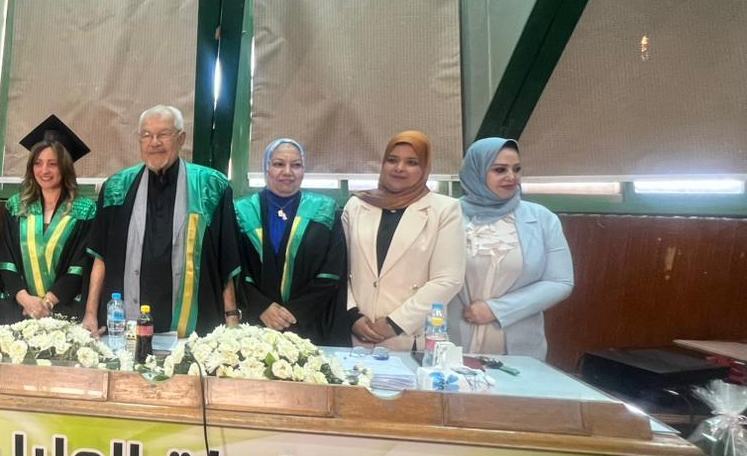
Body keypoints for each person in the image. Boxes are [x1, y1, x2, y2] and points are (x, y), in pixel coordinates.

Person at [83, 105, 240, 338]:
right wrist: (90, 313)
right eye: (146, 135)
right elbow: (100, 257)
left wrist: (232, 318)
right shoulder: (117, 187)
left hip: (192, 326)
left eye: (163, 134)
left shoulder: (210, 187)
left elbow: (225, 261)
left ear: (181, 138)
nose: (154, 142)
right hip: (126, 323)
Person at [450, 138, 574, 360]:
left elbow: (560, 281)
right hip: (450, 341)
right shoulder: (447, 215)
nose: (511, 177)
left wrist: (498, 309)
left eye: (516, 169)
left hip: (519, 349)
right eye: (500, 170)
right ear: (476, 172)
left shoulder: (542, 218)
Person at [342, 130, 463, 351]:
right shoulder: (357, 205)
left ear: (424, 168)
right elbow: (341, 268)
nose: (399, 168)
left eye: (412, 162)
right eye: (392, 160)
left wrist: (395, 323)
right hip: (358, 334)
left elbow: (448, 279)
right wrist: (352, 316)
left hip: (410, 338)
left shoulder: (444, 210)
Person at [234, 138, 347, 345]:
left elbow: (332, 271)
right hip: (255, 326)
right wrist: (262, 306)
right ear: (266, 168)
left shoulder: (325, 210)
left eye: (296, 165)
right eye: (279, 164)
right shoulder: (241, 212)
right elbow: (236, 270)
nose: (287, 172)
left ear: (303, 171)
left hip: (309, 325)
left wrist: (294, 312)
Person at [0, 115, 97, 322]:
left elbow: (81, 264)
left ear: (65, 167)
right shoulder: (16, 206)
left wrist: (47, 302)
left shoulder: (84, 210)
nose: (44, 171)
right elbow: (5, 258)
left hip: (65, 309)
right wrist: (25, 300)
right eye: (38, 163)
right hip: (19, 310)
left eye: (53, 164)